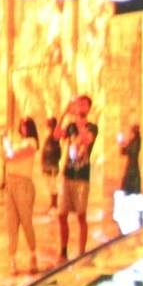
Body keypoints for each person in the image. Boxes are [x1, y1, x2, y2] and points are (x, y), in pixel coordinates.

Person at [58, 95, 97, 261]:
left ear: (88, 108)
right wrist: (64, 114)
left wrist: (78, 121)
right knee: (62, 214)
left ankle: (81, 251)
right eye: (78, 104)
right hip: (68, 174)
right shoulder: (71, 126)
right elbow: (56, 135)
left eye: (84, 104)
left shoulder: (92, 127)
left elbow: (86, 140)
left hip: (82, 176)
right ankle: (63, 250)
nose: (80, 107)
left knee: (81, 215)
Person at [3, 117, 40, 274]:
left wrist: (7, 146)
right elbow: (7, 157)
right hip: (11, 183)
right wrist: (8, 148)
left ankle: (33, 255)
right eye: (21, 125)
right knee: (12, 223)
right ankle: (12, 259)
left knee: (26, 221)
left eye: (25, 125)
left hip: (23, 185)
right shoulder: (18, 143)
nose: (22, 128)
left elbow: (13, 156)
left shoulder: (31, 143)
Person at [41, 115, 61, 214]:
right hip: (48, 165)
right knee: (50, 185)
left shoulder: (54, 136)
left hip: (52, 164)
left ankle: (54, 205)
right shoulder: (49, 136)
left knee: (53, 185)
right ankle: (52, 205)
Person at [120, 124, 142, 195]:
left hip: (133, 165)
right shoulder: (132, 141)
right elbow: (124, 152)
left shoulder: (137, 140)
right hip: (130, 165)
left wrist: (126, 145)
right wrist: (123, 144)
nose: (130, 134)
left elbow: (133, 151)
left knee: (131, 181)